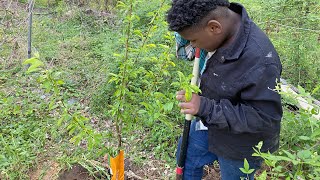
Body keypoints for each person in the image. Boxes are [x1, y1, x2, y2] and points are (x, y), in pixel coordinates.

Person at [166, 0, 283, 179]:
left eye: (194, 41)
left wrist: (205, 107)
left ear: (214, 27)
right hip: (211, 126)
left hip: (240, 144)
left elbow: (264, 119)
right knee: (186, 154)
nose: (194, 47)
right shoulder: (220, 32)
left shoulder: (260, 60)